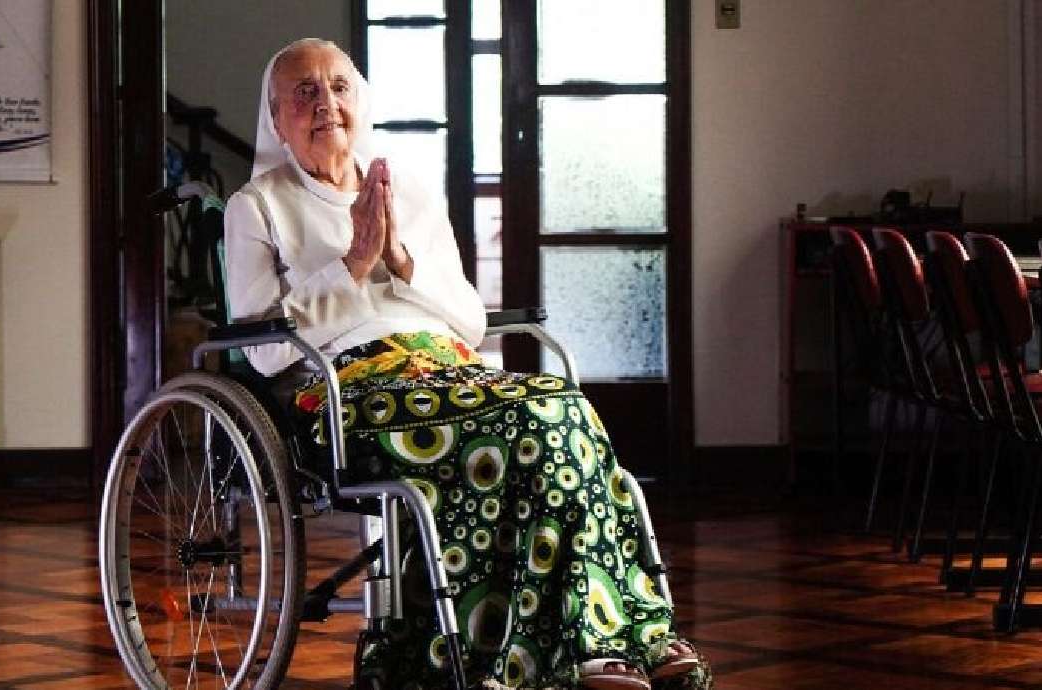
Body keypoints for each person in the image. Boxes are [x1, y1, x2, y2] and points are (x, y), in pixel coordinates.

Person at [224, 37, 711, 690]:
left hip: (449, 373)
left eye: (338, 86)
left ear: (360, 101)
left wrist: (399, 258)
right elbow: (261, 348)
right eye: (304, 92)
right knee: (537, 419)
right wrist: (352, 265)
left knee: (561, 413)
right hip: (345, 391)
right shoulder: (256, 205)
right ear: (277, 118)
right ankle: (590, 648)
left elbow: (471, 321)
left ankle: (616, 641)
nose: (325, 103)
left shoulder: (411, 192)